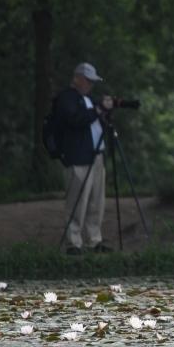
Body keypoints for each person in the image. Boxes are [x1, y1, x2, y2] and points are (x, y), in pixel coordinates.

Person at [54, 62, 114, 254]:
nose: (90, 85)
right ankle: (73, 242)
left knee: (97, 201)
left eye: (92, 82)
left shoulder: (89, 99)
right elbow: (75, 120)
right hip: (78, 157)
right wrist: (97, 110)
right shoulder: (66, 98)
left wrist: (105, 111)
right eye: (88, 81)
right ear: (77, 78)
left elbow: (97, 121)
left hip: (96, 156)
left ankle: (94, 240)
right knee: (77, 202)